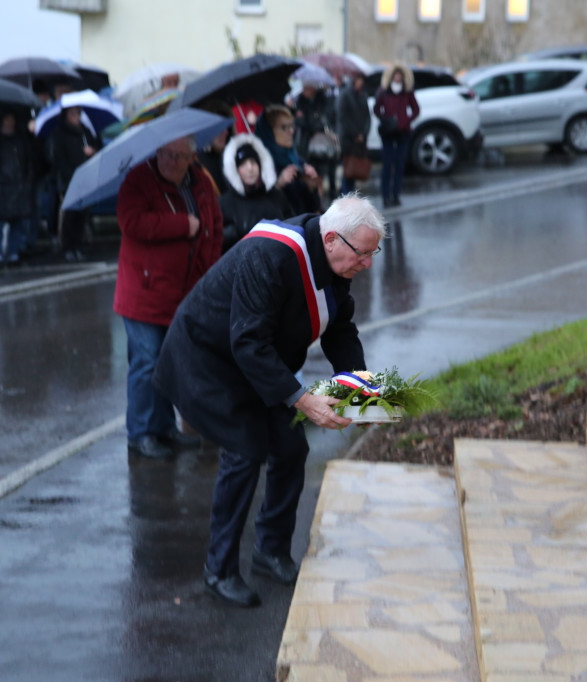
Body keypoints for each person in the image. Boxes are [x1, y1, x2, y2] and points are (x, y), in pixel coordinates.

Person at [154, 195, 386, 607]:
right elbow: (247, 342)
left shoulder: (334, 260)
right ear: (331, 239)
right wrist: (303, 400)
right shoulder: (271, 254)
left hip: (255, 362)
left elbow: (339, 329)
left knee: (291, 446)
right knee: (244, 450)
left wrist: (361, 393)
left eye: (373, 254)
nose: (367, 264)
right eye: (363, 254)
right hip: (205, 359)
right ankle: (219, 570)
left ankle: (270, 551)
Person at [114, 135, 223, 459]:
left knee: (167, 363)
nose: (170, 162)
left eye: (178, 156)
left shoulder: (201, 182)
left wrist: (209, 274)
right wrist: (181, 225)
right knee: (146, 361)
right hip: (143, 292)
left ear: (191, 158)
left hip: (183, 292)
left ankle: (163, 428)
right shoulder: (138, 179)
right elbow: (131, 222)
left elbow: (214, 227)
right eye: (165, 154)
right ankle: (140, 433)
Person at [218, 133, 292, 252]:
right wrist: (233, 233)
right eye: (243, 164)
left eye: (253, 162)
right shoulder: (225, 203)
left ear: (261, 165)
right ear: (235, 170)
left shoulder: (276, 196)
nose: (250, 168)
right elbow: (218, 241)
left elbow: (291, 227)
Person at [0, 109, 36, 266]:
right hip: (4, 187)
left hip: (19, 185)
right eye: (7, 119)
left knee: (17, 221)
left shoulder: (20, 139)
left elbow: (28, 160)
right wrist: (1, 178)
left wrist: (27, 179)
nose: (10, 122)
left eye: (12, 119)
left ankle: (13, 252)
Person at [254, 104, 321, 216]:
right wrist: (278, 185)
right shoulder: (258, 164)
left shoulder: (295, 158)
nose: (291, 131)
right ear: (269, 131)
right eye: (284, 127)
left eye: (292, 126)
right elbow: (256, 207)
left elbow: (312, 208)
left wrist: (311, 187)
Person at [52, 106, 100, 261]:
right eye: (72, 113)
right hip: (70, 180)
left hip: (85, 178)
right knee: (70, 215)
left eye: (78, 113)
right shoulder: (60, 134)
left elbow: (96, 147)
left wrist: (92, 151)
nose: (76, 117)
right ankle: (68, 246)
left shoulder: (85, 131)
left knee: (82, 214)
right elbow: (59, 159)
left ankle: (78, 245)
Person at [373, 64, 419, 208]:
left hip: (403, 132)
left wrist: (406, 120)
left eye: (400, 75)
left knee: (399, 164)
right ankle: (385, 196)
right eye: (395, 75)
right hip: (388, 132)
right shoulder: (383, 91)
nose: (398, 78)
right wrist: (386, 120)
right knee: (387, 165)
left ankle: (396, 195)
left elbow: (416, 109)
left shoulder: (407, 92)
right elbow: (376, 109)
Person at [293, 83, 338, 200]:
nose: (305, 89)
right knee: (307, 176)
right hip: (304, 146)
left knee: (320, 175)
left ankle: (319, 199)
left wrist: (307, 119)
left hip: (320, 146)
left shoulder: (323, 100)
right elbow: (298, 122)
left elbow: (322, 121)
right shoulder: (299, 101)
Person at [338, 73, 372, 195]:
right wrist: (355, 134)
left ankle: (350, 194)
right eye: (358, 80)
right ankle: (345, 194)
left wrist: (364, 133)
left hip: (360, 138)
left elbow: (367, 116)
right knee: (348, 168)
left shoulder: (362, 95)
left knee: (355, 168)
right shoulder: (345, 95)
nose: (360, 82)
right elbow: (343, 117)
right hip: (348, 139)